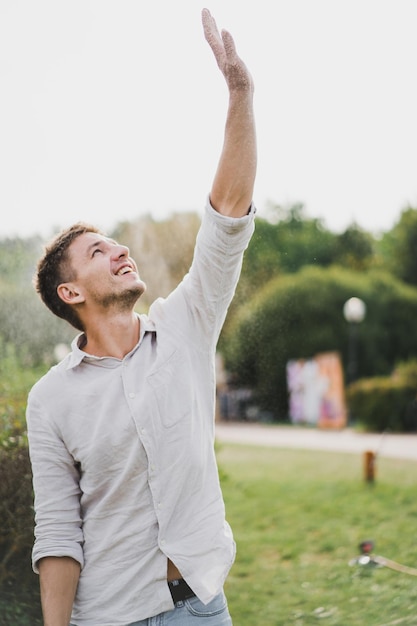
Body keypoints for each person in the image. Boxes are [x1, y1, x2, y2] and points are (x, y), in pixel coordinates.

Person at [26, 8, 256, 626]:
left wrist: (239, 93)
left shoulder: (186, 327)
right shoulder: (51, 400)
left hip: (204, 605)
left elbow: (228, 218)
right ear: (71, 293)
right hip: (110, 616)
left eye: (116, 242)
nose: (119, 250)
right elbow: (58, 535)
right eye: (97, 252)